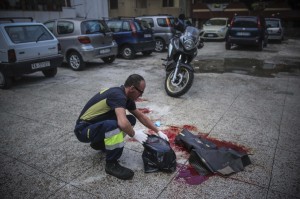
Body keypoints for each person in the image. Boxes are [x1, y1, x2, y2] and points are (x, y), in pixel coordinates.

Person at [74, 74, 169, 180]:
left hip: (94, 125)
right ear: (132, 88)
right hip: (83, 129)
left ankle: (99, 143)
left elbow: (140, 116)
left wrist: (158, 131)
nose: (141, 95)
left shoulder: (125, 96)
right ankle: (111, 164)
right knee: (115, 126)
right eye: (140, 92)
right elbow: (122, 123)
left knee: (130, 120)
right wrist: (134, 134)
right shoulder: (118, 95)